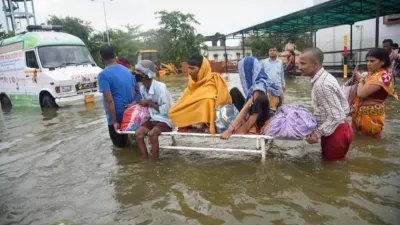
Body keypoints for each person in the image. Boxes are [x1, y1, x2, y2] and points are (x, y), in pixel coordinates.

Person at [299, 47, 353, 161]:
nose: (300, 67)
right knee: (334, 165)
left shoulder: (321, 86)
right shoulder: (325, 77)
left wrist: (316, 134)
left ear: (315, 64)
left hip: (336, 133)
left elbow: (336, 116)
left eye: (303, 64)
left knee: (334, 170)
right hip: (338, 129)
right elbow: (344, 108)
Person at [221, 56, 281, 139]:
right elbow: (248, 105)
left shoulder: (260, 85)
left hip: (265, 116)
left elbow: (246, 108)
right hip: (255, 110)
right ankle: (245, 123)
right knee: (234, 91)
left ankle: (248, 127)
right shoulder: (258, 81)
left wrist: (230, 129)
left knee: (261, 99)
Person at [168, 56, 232, 134]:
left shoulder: (212, 82)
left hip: (213, 122)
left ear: (202, 69)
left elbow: (219, 101)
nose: (189, 72)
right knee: (173, 112)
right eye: (188, 68)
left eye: (192, 68)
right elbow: (184, 101)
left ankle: (206, 125)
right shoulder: (192, 83)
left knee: (208, 101)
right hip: (195, 120)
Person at [98, 45, 140, 148]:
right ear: (115, 56)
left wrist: (114, 122)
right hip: (130, 114)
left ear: (102, 58)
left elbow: (109, 101)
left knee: (120, 150)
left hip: (117, 116)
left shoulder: (103, 75)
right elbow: (134, 92)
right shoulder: (127, 71)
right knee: (133, 146)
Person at [351, 48, 398, 137]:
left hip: (370, 114)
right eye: (367, 61)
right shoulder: (374, 74)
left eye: (372, 61)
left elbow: (361, 93)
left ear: (382, 62)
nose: (368, 64)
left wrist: (361, 80)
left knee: (372, 140)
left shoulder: (382, 76)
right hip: (363, 112)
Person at [134, 60, 174, 160]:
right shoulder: (142, 88)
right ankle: (145, 160)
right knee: (138, 134)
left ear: (147, 75)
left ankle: (154, 163)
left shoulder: (161, 88)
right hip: (152, 118)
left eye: (140, 75)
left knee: (152, 134)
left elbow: (166, 111)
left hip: (165, 119)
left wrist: (149, 103)